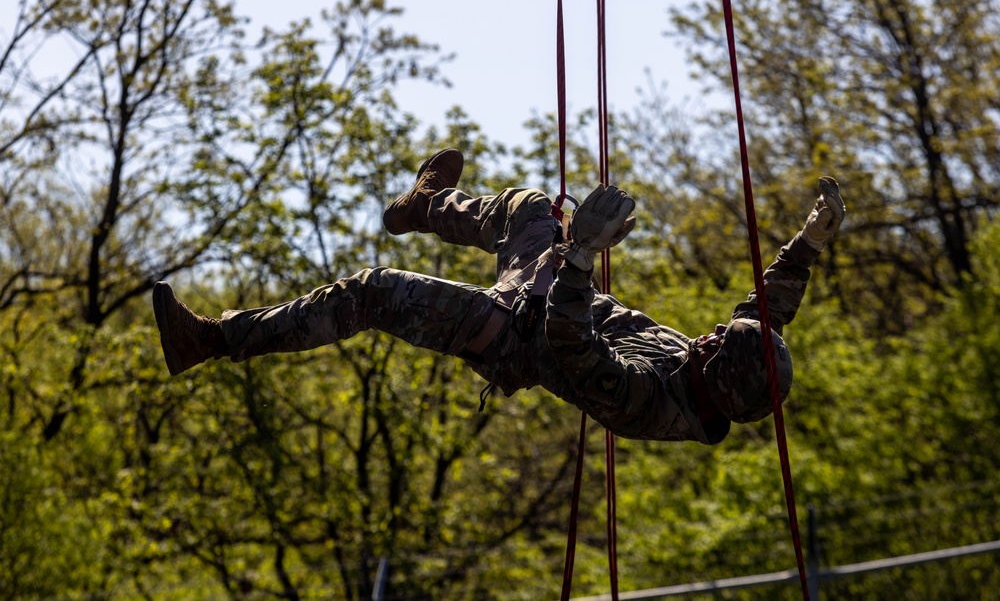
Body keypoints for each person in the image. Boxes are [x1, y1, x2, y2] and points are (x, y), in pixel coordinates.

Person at [153, 148, 845, 444]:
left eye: (721, 346)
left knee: (373, 293)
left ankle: (212, 340)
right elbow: (763, 313)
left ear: (721, 379)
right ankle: (426, 205)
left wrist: (578, 260)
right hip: (548, 285)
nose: (715, 331)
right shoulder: (716, 365)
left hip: (513, 336)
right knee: (529, 207)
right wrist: (808, 243)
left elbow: (566, 345)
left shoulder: (650, 404)